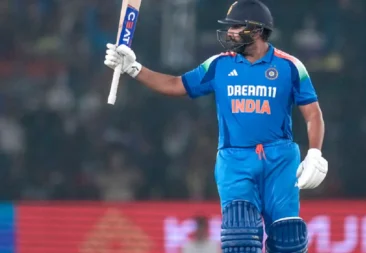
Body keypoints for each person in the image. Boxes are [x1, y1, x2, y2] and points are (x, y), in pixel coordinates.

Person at [104, 0, 328, 252]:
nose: (230, 33)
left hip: (280, 159)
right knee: (240, 236)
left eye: (235, 27)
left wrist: (315, 153)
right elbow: (176, 85)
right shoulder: (219, 64)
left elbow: (313, 114)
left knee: (288, 239)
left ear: (255, 30)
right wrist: (134, 69)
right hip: (235, 159)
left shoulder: (290, 66)